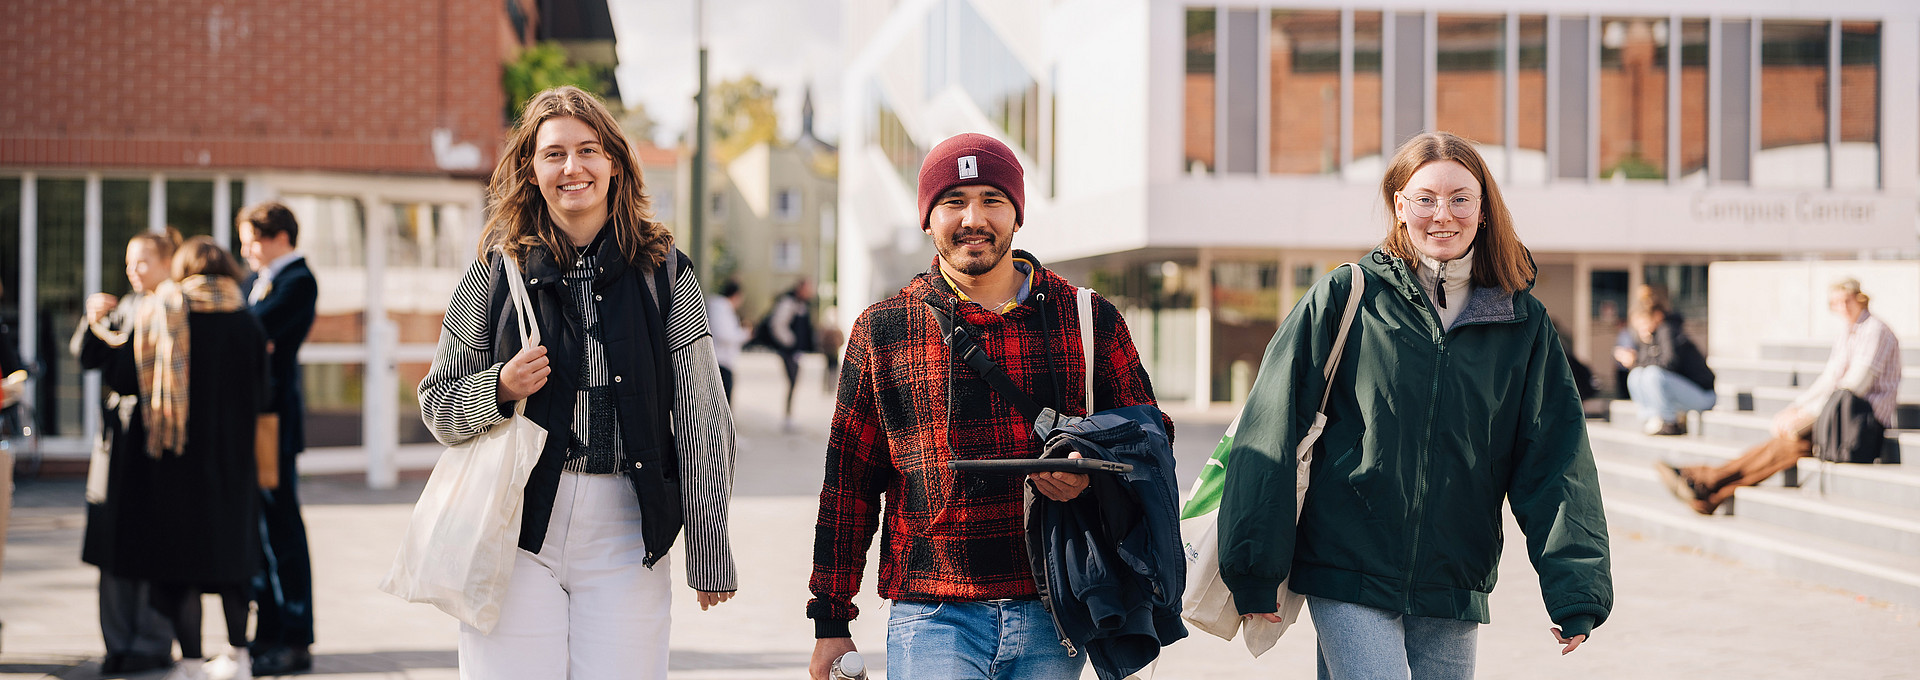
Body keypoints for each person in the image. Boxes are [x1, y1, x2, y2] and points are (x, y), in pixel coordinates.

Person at [1217, 131, 1613, 680]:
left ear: (1484, 209)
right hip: (1346, 565)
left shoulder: (1522, 322)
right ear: (1399, 206)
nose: (1442, 215)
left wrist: (1577, 589)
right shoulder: (1347, 296)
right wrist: (1255, 566)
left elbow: (1556, 460)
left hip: (1454, 579)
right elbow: (1271, 428)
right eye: (1425, 198)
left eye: (1460, 199)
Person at [807, 132, 1171, 680]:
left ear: (1017, 214)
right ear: (927, 218)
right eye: (953, 201)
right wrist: (831, 618)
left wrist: (1088, 471)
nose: (973, 218)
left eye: (992, 200)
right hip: (932, 612)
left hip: (1057, 605)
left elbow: (1150, 437)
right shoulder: (883, 330)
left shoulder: (1088, 318)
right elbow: (848, 483)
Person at [417, 85, 737, 679]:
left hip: (628, 528)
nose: (573, 167)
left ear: (614, 163)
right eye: (554, 154)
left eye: (588, 150)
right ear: (531, 170)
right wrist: (498, 389)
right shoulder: (495, 268)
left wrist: (709, 546)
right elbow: (436, 406)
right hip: (514, 525)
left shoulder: (666, 271)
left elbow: (703, 414)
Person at [88, 237, 268, 680]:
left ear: (182, 269)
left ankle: (190, 665)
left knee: (181, 567)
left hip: (175, 458)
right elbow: (265, 392)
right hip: (233, 462)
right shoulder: (247, 322)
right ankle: (240, 659)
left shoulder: (162, 311)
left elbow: (124, 378)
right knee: (232, 564)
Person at [1658, 278, 1902, 514]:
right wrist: (1796, 407)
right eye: (1835, 303)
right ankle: (1710, 493)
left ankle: (1705, 481)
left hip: (1861, 423)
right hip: (1838, 418)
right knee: (1782, 446)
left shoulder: (1875, 330)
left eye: (1846, 300)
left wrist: (1808, 415)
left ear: (1860, 299)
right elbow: (1829, 378)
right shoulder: (1847, 332)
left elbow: (1855, 386)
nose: (1842, 307)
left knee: (1787, 446)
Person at [74, 230, 181, 675]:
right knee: (111, 539)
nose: (133, 272)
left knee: (153, 538)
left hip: (155, 434)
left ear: (167, 263)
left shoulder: (175, 307)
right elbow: (87, 358)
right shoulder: (125, 305)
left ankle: (152, 642)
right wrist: (91, 320)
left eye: (143, 262)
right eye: (129, 264)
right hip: (116, 438)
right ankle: (117, 643)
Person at [235, 200, 319, 676]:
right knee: (258, 529)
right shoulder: (256, 281)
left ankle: (295, 637)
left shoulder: (298, 281)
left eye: (251, 240)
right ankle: (266, 631)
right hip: (251, 418)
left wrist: (254, 337)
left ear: (279, 237)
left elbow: (252, 332)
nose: (245, 250)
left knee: (282, 528)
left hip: (274, 424)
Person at [1617, 299, 1715, 435]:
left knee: (1652, 374)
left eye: (1644, 321)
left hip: (1703, 395)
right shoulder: (1649, 336)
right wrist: (1635, 359)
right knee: (1636, 374)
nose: (1641, 326)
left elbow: (1668, 364)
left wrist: (1636, 361)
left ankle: (1669, 422)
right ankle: (1651, 418)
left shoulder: (1668, 330)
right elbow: (1644, 365)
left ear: (1657, 316)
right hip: (1681, 395)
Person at [765, 279, 816, 429]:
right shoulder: (788, 303)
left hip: (796, 352)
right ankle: (787, 416)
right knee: (792, 381)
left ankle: (789, 415)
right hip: (788, 351)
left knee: (794, 382)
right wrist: (790, 341)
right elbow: (777, 324)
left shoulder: (802, 305)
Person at [705, 279, 747, 401]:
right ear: (736, 295)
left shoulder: (721, 308)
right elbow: (724, 335)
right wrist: (744, 334)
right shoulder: (721, 309)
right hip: (720, 361)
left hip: (722, 361)